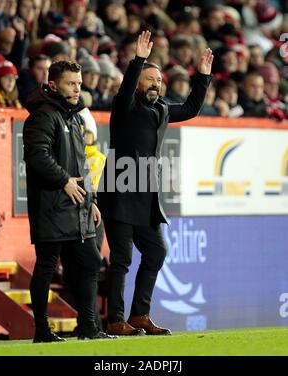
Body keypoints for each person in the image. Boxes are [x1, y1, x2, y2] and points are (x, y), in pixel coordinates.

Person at [98, 31, 213, 336]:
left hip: (145, 198)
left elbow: (189, 110)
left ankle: (139, 316)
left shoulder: (161, 110)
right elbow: (124, 92)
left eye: (158, 81)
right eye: (149, 80)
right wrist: (137, 60)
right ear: (137, 82)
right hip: (119, 192)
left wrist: (202, 77)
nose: (155, 85)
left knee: (156, 253)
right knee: (121, 259)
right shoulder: (124, 107)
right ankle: (116, 320)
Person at [23, 60, 116, 342]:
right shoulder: (42, 116)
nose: (78, 89)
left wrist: (92, 200)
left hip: (77, 207)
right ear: (53, 85)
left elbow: (83, 164)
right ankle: (42, 330)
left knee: (90, 262)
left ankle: (88, 326)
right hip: (51, 207)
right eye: (71, 84)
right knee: (47, 266)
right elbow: (37, 156)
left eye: (78, 84)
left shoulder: (73, 117)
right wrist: (64, 181)